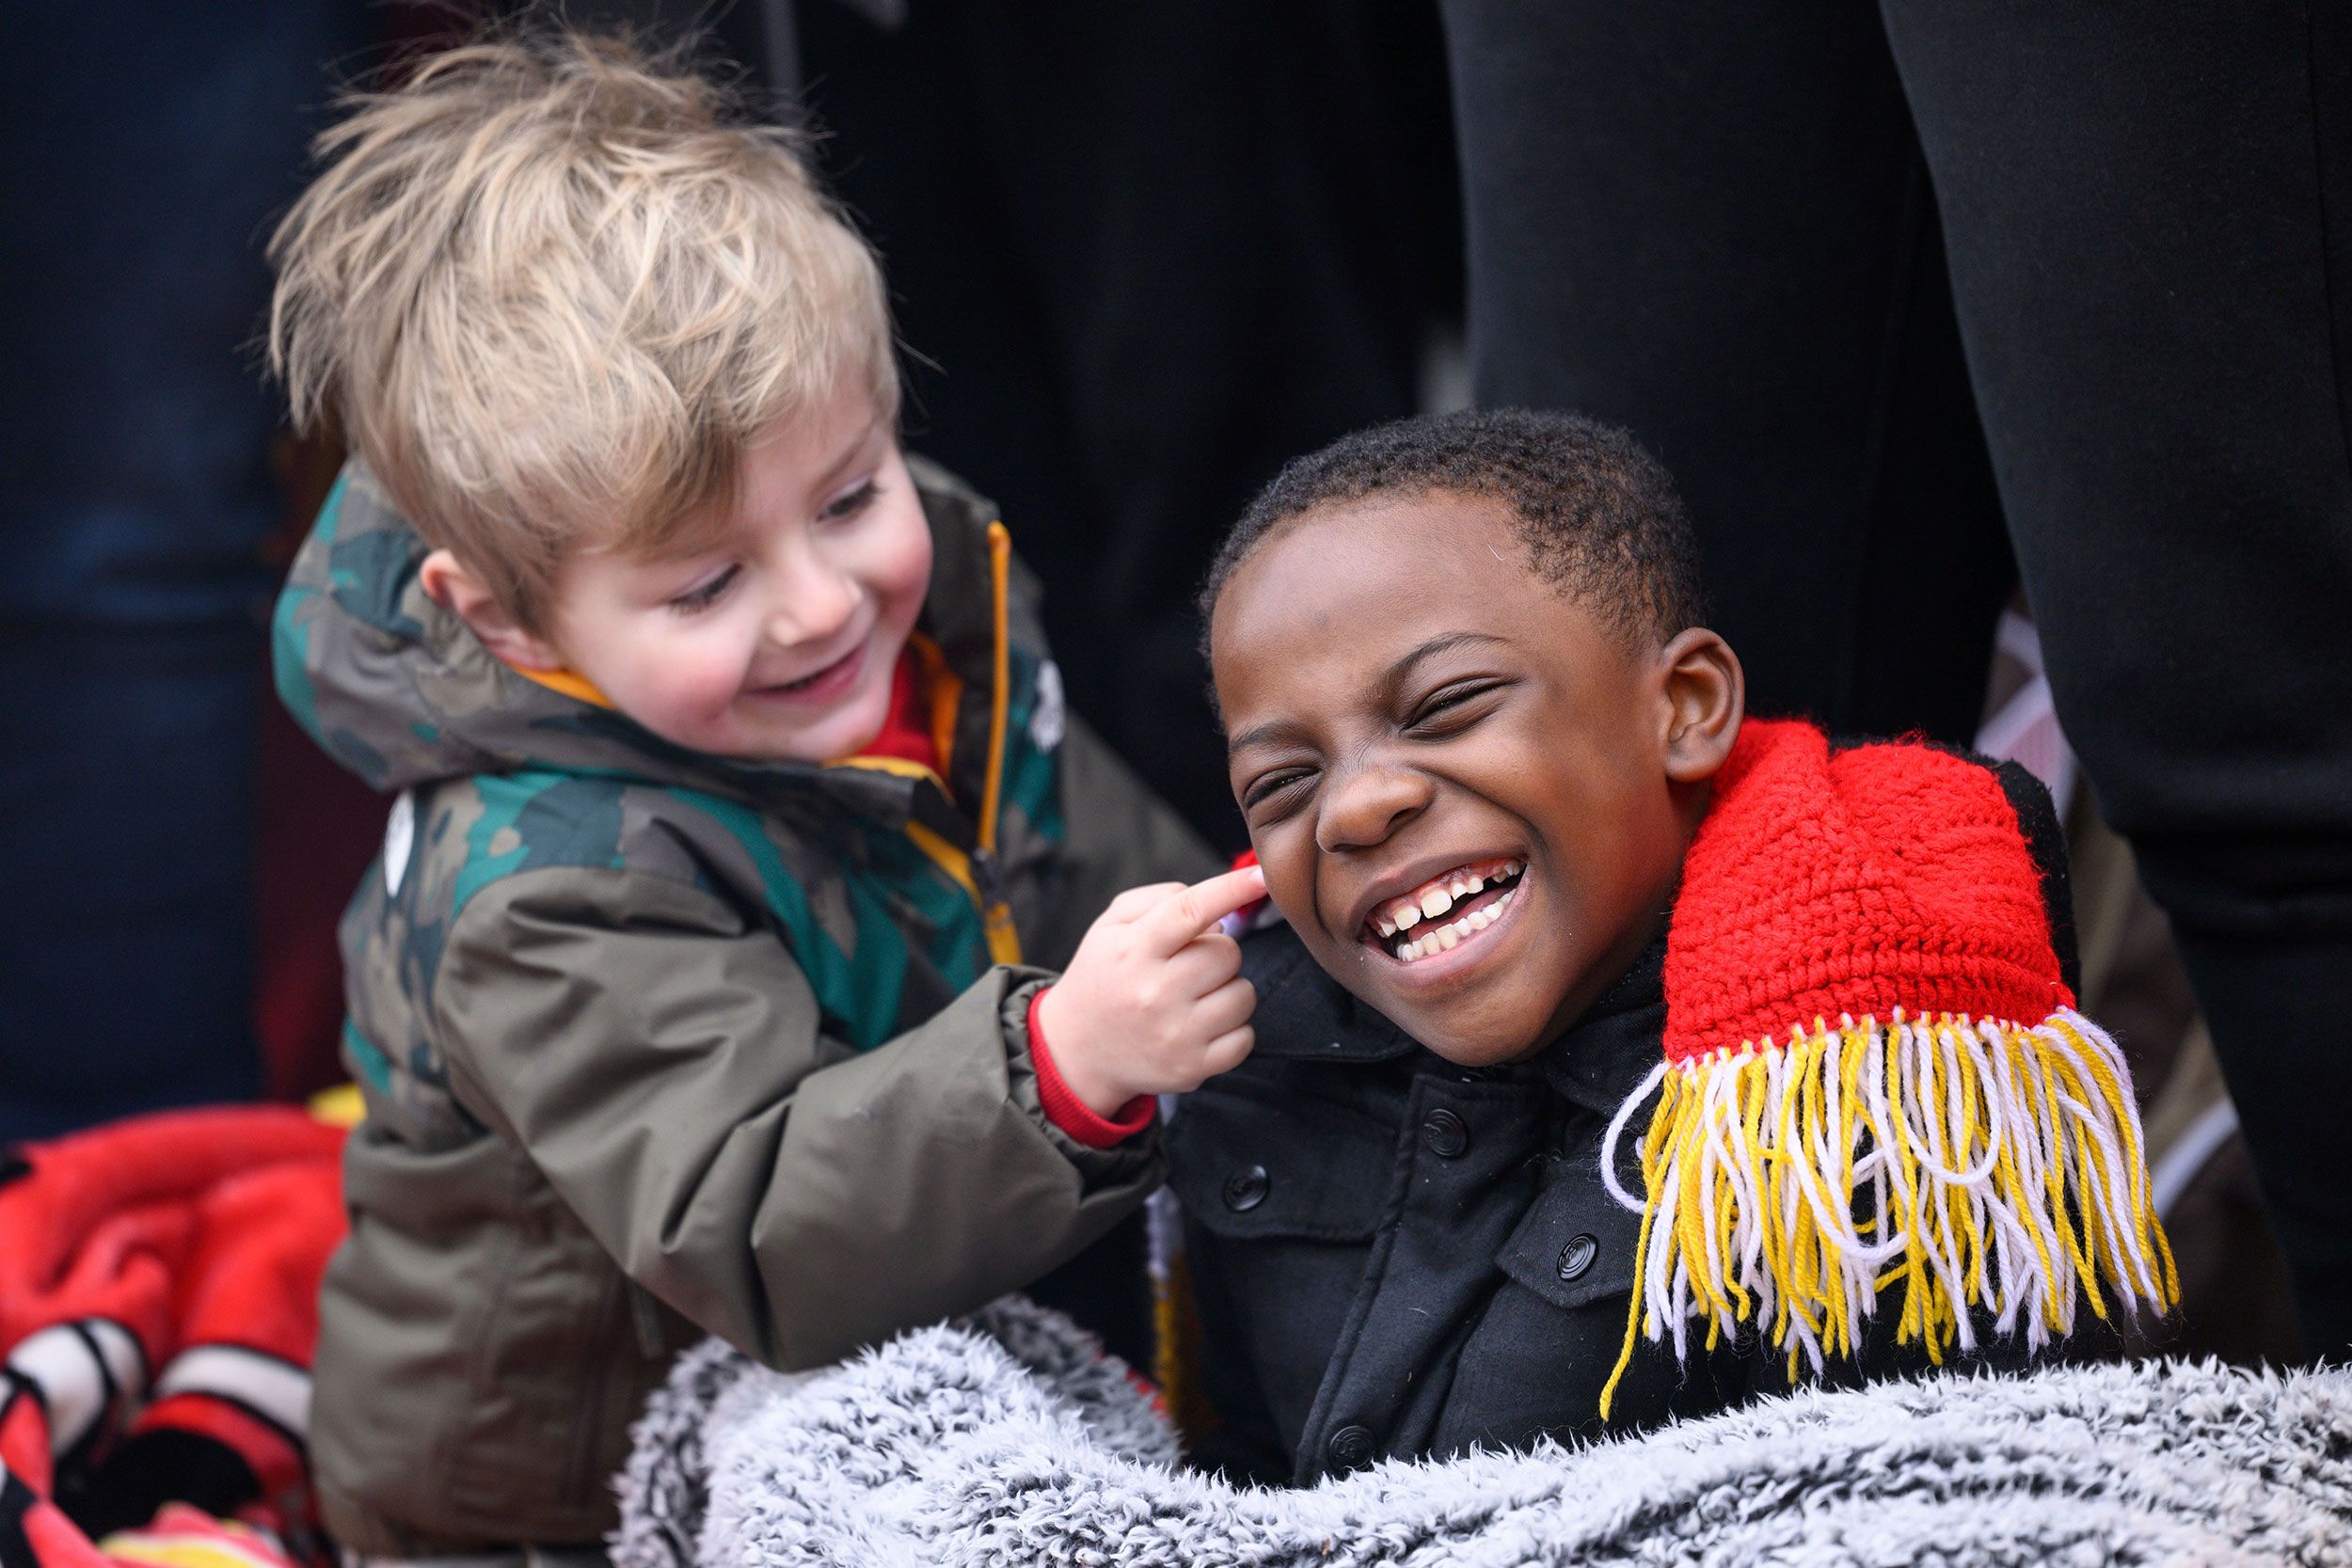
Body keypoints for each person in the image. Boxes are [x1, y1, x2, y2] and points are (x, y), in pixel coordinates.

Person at [265, 32, 1252, 1558]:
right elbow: (750, 1217)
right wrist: (1060, 1061)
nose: (820, 604)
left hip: (893, 1342)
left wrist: (1266, 967)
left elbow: (1082, 857)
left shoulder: (927, 627)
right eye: (710, 580)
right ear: (509, 622)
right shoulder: (543, 891)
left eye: (851, 492)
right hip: (557, 1504)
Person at [1172, 408, 2174, 1485]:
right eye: (1281, 781)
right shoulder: (1250, 1047)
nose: (1354, 809)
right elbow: (1233, 1473)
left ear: (1687, 708)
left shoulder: (1863, 1083)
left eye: (1448, 704)